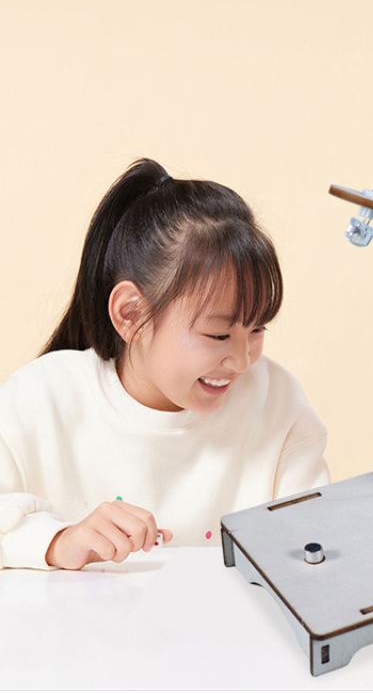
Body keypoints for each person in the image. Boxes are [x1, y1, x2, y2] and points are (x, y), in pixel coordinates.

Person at [0, 159, 329, 570]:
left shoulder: (277, 404)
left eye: (257, 329)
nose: (243, 360)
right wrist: (58, 541)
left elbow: (317, 545)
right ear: (130, 314)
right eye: (218, 335)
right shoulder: (41, 400)